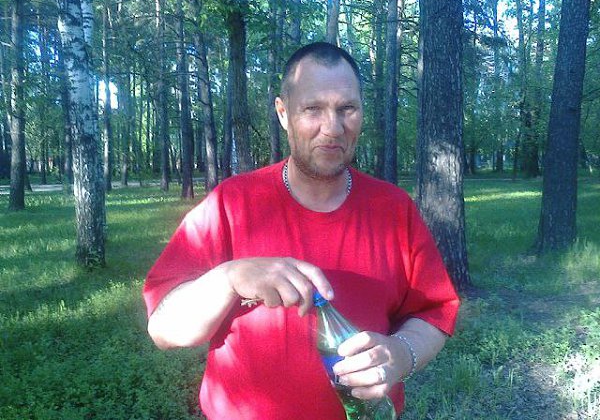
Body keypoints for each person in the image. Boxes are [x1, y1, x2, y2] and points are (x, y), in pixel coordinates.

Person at [143, 42, 460, 419]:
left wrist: (402, 354)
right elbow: (163, 329)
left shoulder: (393, 210)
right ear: (283, 113)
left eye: (347, 108)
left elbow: (434, 311)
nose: (333, 128)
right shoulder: (232, 204)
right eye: (313, 109)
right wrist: (229, 278)